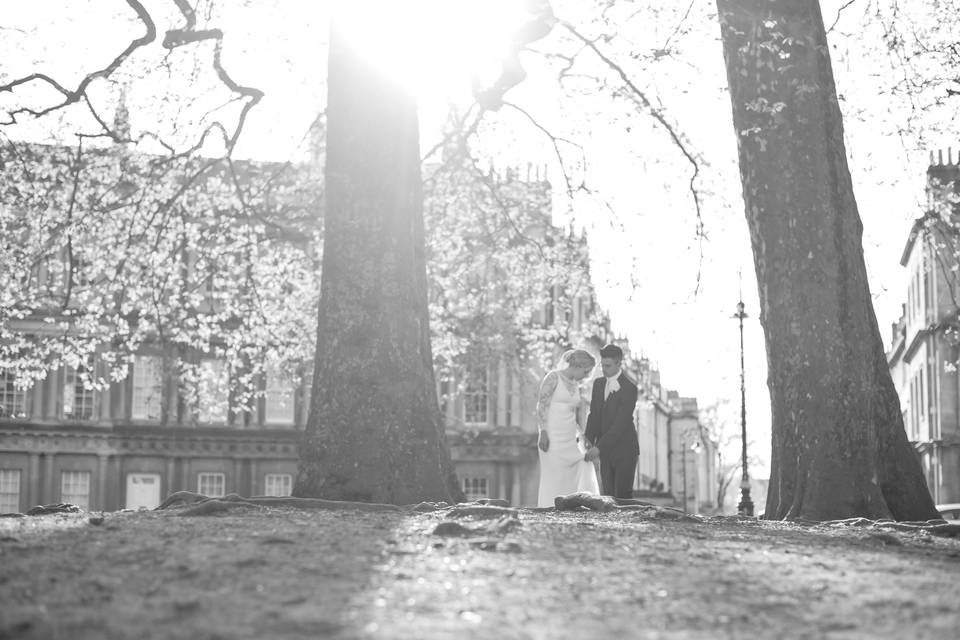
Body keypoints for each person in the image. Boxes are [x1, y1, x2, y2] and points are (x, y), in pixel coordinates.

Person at [536, 349, 601, 507]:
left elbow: (573, 413)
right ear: (577, 366)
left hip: (570, 436)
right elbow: (542, 405)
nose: (586, 376)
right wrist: (543, 431)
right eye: (585, 372)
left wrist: (583, 435)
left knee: (583, 463)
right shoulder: (553, 377)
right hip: (552, 435)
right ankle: (549, 507)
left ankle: (571, 507)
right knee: (555, 475)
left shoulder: (575, 383)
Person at [584, 343, 639, 500]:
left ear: (618, 363)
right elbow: (594, 415)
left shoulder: (630, 388)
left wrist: (599, 447)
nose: (604, 369)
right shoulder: (598, 384)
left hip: (625, 450)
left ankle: (627, 526)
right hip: (606, 452)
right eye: (602, 365)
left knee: (622, 496)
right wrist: (587, 442)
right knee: (607, 496)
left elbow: (620, 424)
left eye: (608, 365)